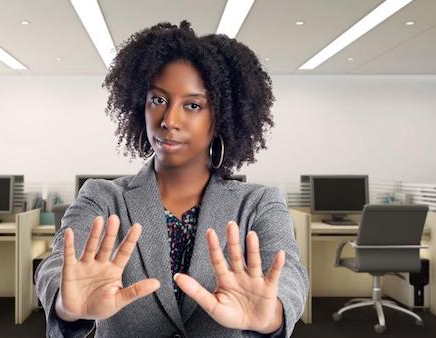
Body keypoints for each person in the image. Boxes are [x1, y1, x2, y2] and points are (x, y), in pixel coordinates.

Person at [35, 20, 309, 338]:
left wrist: (272, 313)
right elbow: (58, 264)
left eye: (192, 105)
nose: (169, 120)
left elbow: (289, 272)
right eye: (159, 100)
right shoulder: (103, 196)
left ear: (222, 117)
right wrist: (68, 306)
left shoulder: (259, 203)